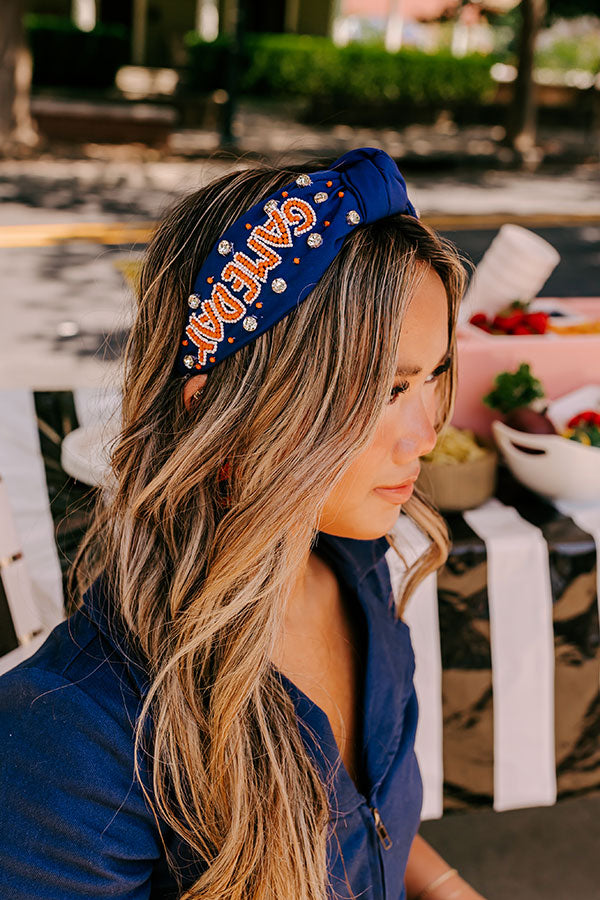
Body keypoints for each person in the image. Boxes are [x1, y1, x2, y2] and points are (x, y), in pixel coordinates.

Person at [0, 148, 486, 900]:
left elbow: (364, 820)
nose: (425, 434)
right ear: (225, 415)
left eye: (433, 378)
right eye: (387, 391)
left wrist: (449, 886)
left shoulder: (360, 568)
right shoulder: (75, 738)